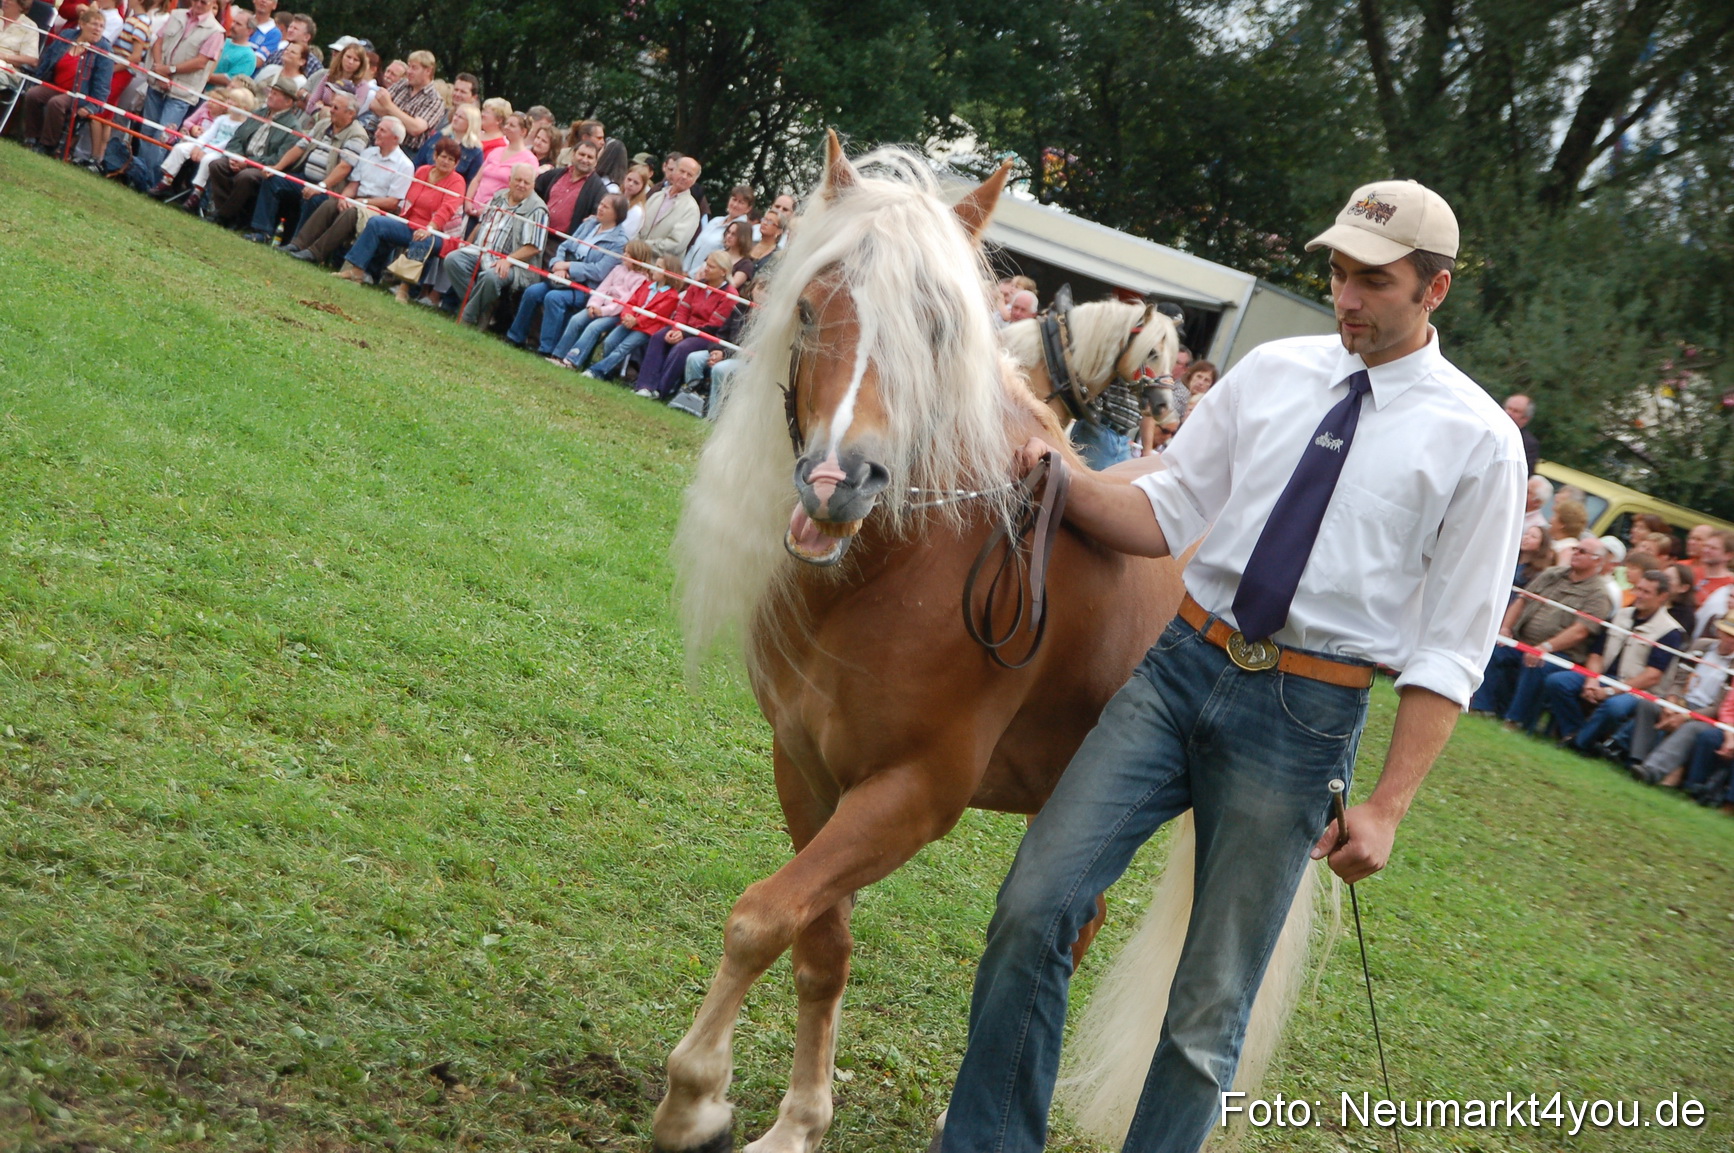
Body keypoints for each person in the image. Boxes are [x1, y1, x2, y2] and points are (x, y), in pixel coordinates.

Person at [936, 179, 1525, 1153]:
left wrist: (1385, 808)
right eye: (1337, 272)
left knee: (1207, 1011)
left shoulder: (1480, 445)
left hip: (1303, 719)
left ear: (1436, 289)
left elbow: (1452, 649)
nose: (1346, 296)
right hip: (1176, 671)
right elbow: (1162, 512)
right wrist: (1058, 475)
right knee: (1035, 904)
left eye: (1373, 280)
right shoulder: (1271, 374)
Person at [1471, 537, 1612, 728]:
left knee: (1536, 664)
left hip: (1559, 654)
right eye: (1575, 549)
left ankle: (1515, 721)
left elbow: (1580, 631)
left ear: (1597, 560)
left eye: (1582, 551)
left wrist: (1545, 647)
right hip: (1523, 641)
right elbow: (1522, 599)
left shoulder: (1599, 594)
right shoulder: (1553, 574)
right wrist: (1505, 629)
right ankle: (1482, 708)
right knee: (1496, 651)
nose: (1576, 553)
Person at [1541, 572, 1681, 751]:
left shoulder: (1670, 631)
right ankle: (1573, 733)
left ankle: (1578, 744)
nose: (1638, 594)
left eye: (1646, 592)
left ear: (1662, 597)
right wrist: (1593, 679)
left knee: (1614, 707)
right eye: (1638, 589)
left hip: (1637, 690)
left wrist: (1609, 691)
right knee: (1558, 682)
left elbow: (1652, 677)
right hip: (1604, 676)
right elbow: (1596, 653)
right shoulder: (1620, 615)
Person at [504, 193, 631, 353]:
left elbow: (599, 271)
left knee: (553, 298)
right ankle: (515, 337)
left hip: (586, 288)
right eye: (601, 204)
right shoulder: (590, 224)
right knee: (532, 292)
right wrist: (558, 264)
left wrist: (569, 266)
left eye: (606, 207)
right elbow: (565, 246)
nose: (600, 208)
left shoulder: (619, 242)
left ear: (617, 214)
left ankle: (546, 349)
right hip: (562, 277)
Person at [338, 136, 468, 293]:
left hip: (438, 233)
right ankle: (356, 271)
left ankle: (404, 289)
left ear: (456, 163)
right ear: (435, 156)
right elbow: (409, 199)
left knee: (423, 240)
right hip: (410, 224)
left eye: (451, 159)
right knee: (376, 223)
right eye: (443, 156)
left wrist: (429, 228)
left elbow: (447, 209)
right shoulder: (422, 171)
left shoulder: (457, 182)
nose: (446, 161)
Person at [239, 87, 367, 240]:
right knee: (272, 179)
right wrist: (277, 168)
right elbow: (300, 147)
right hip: (303, 177)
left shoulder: (357, 135)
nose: (330, 110)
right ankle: (262, 232)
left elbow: (345, 166)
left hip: (328, 188)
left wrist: (321, 186)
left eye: (335, 107)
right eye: (331, 105)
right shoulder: (323, 124)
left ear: (350, 114)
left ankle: (296, 243)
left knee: (313, 199)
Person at [285, 115, 414, 265]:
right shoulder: (368, 154)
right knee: (330, 204)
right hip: (358, 199)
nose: (376, 133)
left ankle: (315, 253)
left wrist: (363, 202)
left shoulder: (404, 165)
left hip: (378, 208)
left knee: (351, 213)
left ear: (395, 138)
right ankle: (298, 244)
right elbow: (354, 184)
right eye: (377, 129)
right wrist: (344, 198)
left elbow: (393, 202)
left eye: (382, 130)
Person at [1631, 613, 1734, 784]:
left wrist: (1684, 716)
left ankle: (1651, 770)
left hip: (1707, 715)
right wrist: (1671, 703)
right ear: (1719, 632)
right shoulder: (1701, 646)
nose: (1731, 640)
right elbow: (1678, 679)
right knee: (1648, 704)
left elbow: (1719, 706)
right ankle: (1636, 759)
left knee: (1691, 728)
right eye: (1729, 634)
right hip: (1682, 701)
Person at [442, 162, 548, 326]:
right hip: (482, 250)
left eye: (526, 183)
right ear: (509, 180)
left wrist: (508, 260)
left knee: (491, 277)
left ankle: (467, 318)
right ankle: (484, 309)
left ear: (533, 185)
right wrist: (466, 244)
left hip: (515, 264)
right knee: (452, 260)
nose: (521, 185)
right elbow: (481, 224)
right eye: (518, 180)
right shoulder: (499, 196)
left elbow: (534, 247)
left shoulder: (537, 209)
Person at [202, 75, 308, 227]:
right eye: (271, 92)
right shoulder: (258, 113)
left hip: (261, 167)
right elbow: (237, 137)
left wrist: (247, 163)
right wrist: (236, 155)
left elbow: (278, 159)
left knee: (246, 177)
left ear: (288, 102)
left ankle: (223, 216)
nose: (269, 96)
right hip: (242, 158)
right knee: (217, 165)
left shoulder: (292, 127)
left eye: (275, 94)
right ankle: (230, 214)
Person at [634, 250, 738, 400]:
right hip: (684, 328)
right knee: (659, 337)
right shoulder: (698, 285)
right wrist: (677, 328)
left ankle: (661, 390)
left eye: (711, 267)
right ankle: (644, 385)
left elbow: (714, 325)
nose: (706, 269)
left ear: (723, 272)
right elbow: (683, 309)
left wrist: (684, 334)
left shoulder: (730, 295)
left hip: (706, 336)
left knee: (682, 348)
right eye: (706, 264)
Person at [544, 238, 652, 367]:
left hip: (615, 313)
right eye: (624, 252)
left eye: (627, 254)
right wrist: (593, 305)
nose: (623, 256)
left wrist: (604, 311)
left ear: (637, 257)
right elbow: (603, 288)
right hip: (599, 306)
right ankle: (558, 355)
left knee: (593, 328)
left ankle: (572, 360)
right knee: (576, 320)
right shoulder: (617, 269)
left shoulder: (641, 279)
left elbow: (625, 301)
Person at [19, 5, 111, 156]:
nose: (98, 29)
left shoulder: (104, 49)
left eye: (102, 26)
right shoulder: (68, 35)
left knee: (56, 103)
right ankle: (32, 138)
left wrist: (92, 107)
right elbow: (47, 60)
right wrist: (35, 81)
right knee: (33, 94)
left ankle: (48, 145)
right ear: (82, 24)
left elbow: (103, 84)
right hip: (56, 85)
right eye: (94, 24)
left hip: (79, 94)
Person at [582, 254, 684, 381]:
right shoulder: (646, 285)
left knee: (623, 347)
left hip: (646, 329)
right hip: (630, 321)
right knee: (609, 341)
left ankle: (597, 370)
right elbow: (631, 302)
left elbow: (657, 314)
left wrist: (637, 320)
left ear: (668, 273)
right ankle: (607, 371)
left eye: (658, 267)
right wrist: (627, 315)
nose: (653, 269)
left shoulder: (672, 296)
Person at [145, 85, 255, 200]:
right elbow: (209, 135)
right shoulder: (222, 119)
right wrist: (198, 146)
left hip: (220, 151)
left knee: (208, 160)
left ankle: (197, 193)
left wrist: (207, 150)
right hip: (207, 146)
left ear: (244, 108)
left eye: (234, 101)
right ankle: (166, 180)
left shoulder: (243, 126)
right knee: (180, 148)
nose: (229, 102)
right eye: (229, 99)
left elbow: (229, 143)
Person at [368, 48, 443, 152]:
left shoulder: (435, 100)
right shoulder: (402, 84)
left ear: (428, 71)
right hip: (377, 140)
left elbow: (415, 128)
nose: (409, 71)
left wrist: (389, 106)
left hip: (405, 150)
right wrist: (405, 120)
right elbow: (374, 105)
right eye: (409, 67)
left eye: (414, 68)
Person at [464, 109, 535, 218]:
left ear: (523, 131)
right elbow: (477, 179)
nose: (506, 127)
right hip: (473, 209)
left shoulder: (529, 160)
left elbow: (521, 193)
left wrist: (490, 210)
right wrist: (468, 201)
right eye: (506, 124)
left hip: (496, 216)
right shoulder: (496, 151)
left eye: (512, 125)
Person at [636, 154, 701, 260]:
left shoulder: (691, 209)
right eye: (682, 171)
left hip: (657, 268)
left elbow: (676, 245)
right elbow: (638, 224)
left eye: (689, 175)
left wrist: (642, 246)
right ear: (674, 171)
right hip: (633, 258)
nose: (684, 177)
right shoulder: (657, 196)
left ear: (694, 180)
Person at [683, 183, 754, 276]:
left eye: (741, 202)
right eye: (734, 199)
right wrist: (684, 270)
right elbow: (695, 246)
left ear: (748, 208)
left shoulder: (742, 230)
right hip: (684, 273)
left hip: (702, 277)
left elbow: (720, 258)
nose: (735, 205)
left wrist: (693, 275)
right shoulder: (716, 220)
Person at [1693, 529, 1734, 637]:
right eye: (1706, 546)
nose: (1706, 550)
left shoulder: (1729, 587)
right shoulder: (1691, 572)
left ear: (1728, 555)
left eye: (1713, 548)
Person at [207, 10, 258, 89]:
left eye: (238, 24)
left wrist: (204, 76)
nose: (232, 25)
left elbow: (230, 79)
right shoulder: (223, 40)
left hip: (215, 95)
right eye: (233, 21)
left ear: (249, 31)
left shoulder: (248, 56)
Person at [0, 0, 39, 93]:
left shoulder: (29, 27)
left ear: (21, 6)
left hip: (7, 71)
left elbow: (32, 60)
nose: (4, 1)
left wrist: (5, 57)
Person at [1503, 393, 1539, 475]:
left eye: (1515, 411)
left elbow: (1523, 473)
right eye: (1508, 408)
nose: (1509, 413)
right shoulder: (1487, 429)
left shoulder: (1529, 444)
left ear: (1525, 419)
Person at [1512, 522, 1555, 589]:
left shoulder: (1537, 571)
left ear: (1541, 545)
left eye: (1533, 537)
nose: (1526, 538)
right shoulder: (1510, 559)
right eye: (1526, 534)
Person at [1550, 496, 1588, 566]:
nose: (1550, 520)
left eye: (1554, 516)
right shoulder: (1554, 542)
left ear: (1562, 524)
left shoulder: (1568, 550)